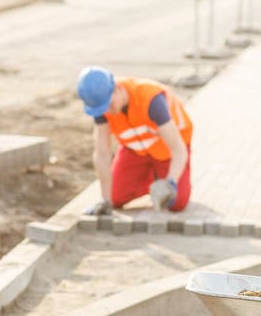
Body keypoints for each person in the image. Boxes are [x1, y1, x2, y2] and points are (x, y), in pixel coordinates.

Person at [77, 67, 193, 215]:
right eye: (102, 109)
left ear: (117, 88)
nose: (107, 111)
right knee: (115, 198)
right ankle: (153, 179)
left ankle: (162, 178)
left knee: (176, 202)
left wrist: (171, 182)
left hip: (168, 151)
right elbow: (102, 154)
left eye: (109, 105)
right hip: (136, 151)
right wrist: (105, 200)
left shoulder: (151, 100)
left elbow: (178, 150)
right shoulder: (101, 107)